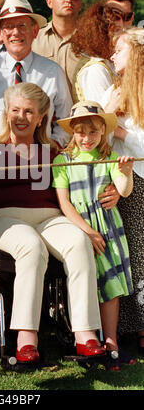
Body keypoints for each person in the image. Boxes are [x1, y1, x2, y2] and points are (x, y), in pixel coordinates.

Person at [0, 82, 105, 364]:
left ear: (40, 118)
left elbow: (82, 183)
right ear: (6, 113)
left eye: (28, 112)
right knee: (30, 245)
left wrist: (112, 188)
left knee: (78, 242)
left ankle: (85, 334)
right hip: (0, 218)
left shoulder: (54, 151)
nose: (21, 117)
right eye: (15, 110)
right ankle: (26, 339)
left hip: (49, 217)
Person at [52, 101, 135, 369]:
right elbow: (65, 204)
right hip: (80, 227)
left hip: (107, 227)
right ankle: (89, 340)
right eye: (80, 132)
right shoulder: (62, 161)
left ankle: (111, 343)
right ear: (72, 132)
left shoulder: (107, 157)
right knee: (88, 284)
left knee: (110, 286)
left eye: (93, 133)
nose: (86, 138)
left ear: (102, 132)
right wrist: (87, 231)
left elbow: (124, 190)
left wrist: (125, 173)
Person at [0, 0, 73, 148]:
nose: (15, 32)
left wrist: (51, 150)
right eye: (8, 27)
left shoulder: (53, 72)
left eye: (22, 25)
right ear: (0, 33)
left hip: (40, 162)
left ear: (35, 31)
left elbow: (65, 120)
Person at [102, 27, 144, 354]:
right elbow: (96, 135)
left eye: (119, 49)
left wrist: (118, 128)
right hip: (120, 180)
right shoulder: (114, 92)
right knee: (128, 255)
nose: (112, 54)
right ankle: (129, 328)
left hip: (140, 177)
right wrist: (109, 120)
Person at [32, 0, 88, 101]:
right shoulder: (33, 39)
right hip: (44, 117)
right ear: (49, 2)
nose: (68, 0)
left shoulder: (92, 41)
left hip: (81, 117)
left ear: (80, 4)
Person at [71, 0, 126, 103]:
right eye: (117, 30)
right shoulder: (96, 70)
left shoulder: (107, 64)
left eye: (121, 30)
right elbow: (102, 114)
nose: (121, 36)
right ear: (101, 33)